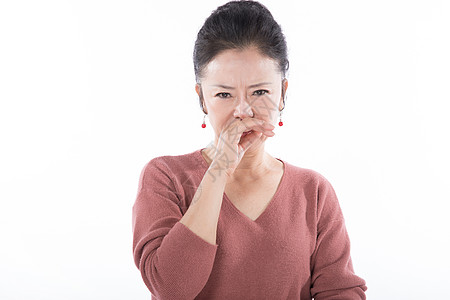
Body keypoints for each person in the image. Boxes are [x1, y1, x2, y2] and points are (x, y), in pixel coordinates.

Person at [132, 1, 368, 299]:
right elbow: (170, 287)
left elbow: (340, 291)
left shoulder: (314, 191)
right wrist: (218, 170)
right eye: (223, 94)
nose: (242, 110)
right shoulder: (165, 177)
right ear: (202, 99)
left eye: (259, 92)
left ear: (282, 94)